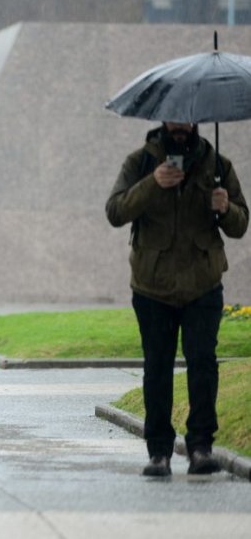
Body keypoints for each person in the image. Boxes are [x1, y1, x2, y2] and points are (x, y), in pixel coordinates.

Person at [106, 121, 248, 477]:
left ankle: (201, 448)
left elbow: (241, 224)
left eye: (186, 119)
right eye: (174, 119)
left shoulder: (218, 165)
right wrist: (152, 184)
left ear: (196, 122)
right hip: (152, 287)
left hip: (203, 284)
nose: (180, 126)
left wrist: (224, 206)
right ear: (163, 121)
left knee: (203, 365)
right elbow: (116, 212)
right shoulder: (139, 163)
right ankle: (159, 453)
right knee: (157, 369)